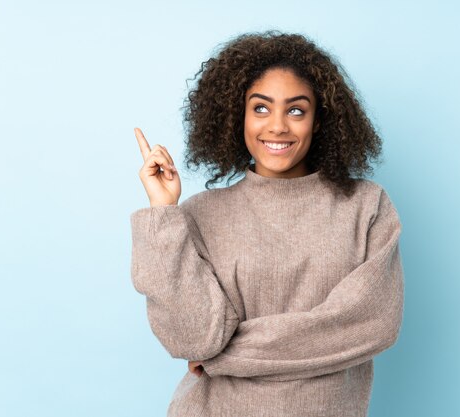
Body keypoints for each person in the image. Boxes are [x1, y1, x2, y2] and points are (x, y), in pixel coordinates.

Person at [130, 30, 404, 417]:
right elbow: (191, 338)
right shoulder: (198, 214)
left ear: (319, 120)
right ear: (236, 116)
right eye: (260, 108)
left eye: (296, 110)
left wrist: (222, 357)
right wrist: (163, 212)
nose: (277, 126)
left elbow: (369, 324)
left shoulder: (365, 206)